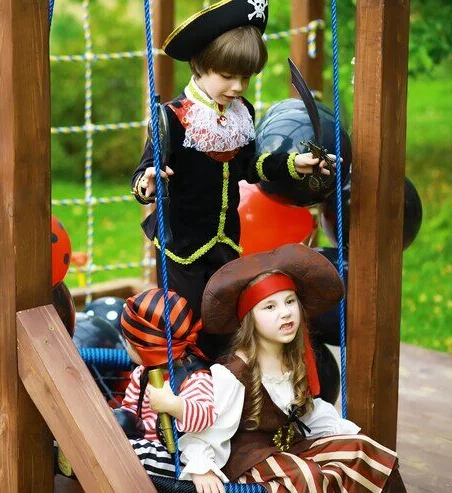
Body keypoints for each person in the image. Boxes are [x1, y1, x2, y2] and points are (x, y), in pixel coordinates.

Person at [131, 2, 334, 350]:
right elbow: (143, 172)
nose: (238, 86)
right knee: (186, 319)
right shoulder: (173, 118)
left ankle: (224, 382)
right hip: (184, 247)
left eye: (246, 77)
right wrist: (148, 182)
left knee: (224, 320)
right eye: (228, 76)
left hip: (226, 241)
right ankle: (189, 384)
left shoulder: (243, 114)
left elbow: (249, 167)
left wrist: (292, 164)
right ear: (201, 66)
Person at [175, 243, 405, 492]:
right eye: (270, 307)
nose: (285, 313)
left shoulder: (293, 359)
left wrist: (344, 433)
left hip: (290, 449)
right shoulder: (232, 374)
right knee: (305, 475)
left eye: (289, 301)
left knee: (365, 451)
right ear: (250, 319)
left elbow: (309, 412)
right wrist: (202, 467)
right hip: (249, 461)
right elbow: (209, 428)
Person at [118, 288, 215, 478]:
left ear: (147, 349)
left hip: (178, 458)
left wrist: (173, 405)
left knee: (126, 452)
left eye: (129, 342)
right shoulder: (141, 374)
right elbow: (130, 410)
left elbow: (205, 417)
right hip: (145, 447)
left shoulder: (194, 378)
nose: (125, 346)